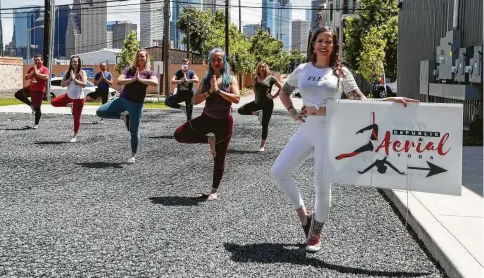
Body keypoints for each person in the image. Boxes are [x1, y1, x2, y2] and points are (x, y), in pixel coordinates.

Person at [270, 26, 418, 253]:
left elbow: (358, 100)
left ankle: (315, 235)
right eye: (320, 40)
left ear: (334, 46)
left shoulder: (340, 72)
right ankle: (304, 216)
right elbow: (284, 92)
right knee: (278, 172)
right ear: (313, 44)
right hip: (306, 130)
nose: (323, 44)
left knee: (321, 184)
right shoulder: (302, 69)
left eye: (329, 41)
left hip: (330, 133)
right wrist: (291, 111)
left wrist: (389, 100)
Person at [174, 48, 240, 201]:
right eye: (214, 59)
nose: (217, 62)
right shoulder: (206, 80)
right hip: (207, 119)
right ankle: (209, 140)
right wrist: (209, 92)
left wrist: (218, 91)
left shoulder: (231, 79)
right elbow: (195, 100)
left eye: (220, 59)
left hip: (224, 123)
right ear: (210, 62)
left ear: (224, 62)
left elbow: (236, 99)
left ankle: (214, 191)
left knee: (220, 158)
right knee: (179, 134)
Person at [96, 49, 158, 164]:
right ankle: (124, 117)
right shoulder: (129, 69)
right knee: (100, 112)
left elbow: (155, 83)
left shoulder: (149, 72)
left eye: (142, 57)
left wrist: (141, 80)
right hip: (123, 100)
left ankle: (133, 155)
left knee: (134, 131)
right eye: (138, 56)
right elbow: (119, 81)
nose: (140, 58)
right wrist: (132, 79)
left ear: (146, 58)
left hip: (136, 105)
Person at [237, 61, 282, 152]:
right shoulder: (256, 79)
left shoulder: (271, 78)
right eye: (260, 67)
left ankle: (262, 145)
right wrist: (257, 97)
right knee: (241, 110)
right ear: (258, 69)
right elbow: (254, 90)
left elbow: (281, 87)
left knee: (265, 124)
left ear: (266, 68)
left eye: (263, 67)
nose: (261, 68)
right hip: (257, 103)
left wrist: (274, 96)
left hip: (268, 104)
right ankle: (257, 113)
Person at [50, 56, 87, 143]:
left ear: (79, 63)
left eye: (76, 62)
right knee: (53, 102)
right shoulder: (67, 72)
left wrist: (75, 80)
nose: (74, 63)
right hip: (68, 96)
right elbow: (62, 84)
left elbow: (84, 85)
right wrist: (70, 79)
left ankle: (75, 135)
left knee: (76, 117)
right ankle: (70, 105)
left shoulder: (82, 72)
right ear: (70, 63)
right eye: (73, 62)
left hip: (79, 98)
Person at [14, 55, 50, 129]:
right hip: (30, 89)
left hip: (39, 91)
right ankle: (31, 105)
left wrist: (37, 73)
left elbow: (46, 77)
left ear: (42, 61)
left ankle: (36, 124)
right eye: (35, 60)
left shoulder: (45, 69)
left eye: (38, 60)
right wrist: (33, 72)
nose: (36, 61)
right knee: (18, 94)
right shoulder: (32, 68)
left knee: (37, 108)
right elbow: (26, 77)